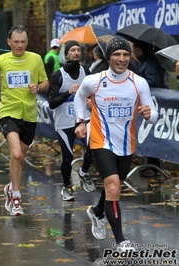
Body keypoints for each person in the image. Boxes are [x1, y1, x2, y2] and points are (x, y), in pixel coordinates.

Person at [74, 37, 158, 250]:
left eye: (126, 55)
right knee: (112, 186)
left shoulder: (138, 82)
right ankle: (121, 241)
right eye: (117, 54)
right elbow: (79, 96)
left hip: (126, 143)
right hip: (100, 140)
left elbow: (153, 114)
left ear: (130, 57)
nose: (122, 59)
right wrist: (81, 121)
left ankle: (97, 211)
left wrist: (150, 114)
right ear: (109, 57)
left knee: (114, 188)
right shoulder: (94, 80)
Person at [0, 25, 49, 216]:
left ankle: (11, 187)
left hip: (29, 114)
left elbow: (45, 82)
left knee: (20, 157)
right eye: (16, 42)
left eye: (23, 42)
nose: (19, 45)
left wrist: (38, 88)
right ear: (9, 42)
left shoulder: (35, 59)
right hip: (8, 113)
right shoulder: (1, 60)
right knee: (16, 154)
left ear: (27, 42)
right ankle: (16, 197)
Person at [48, 40, 95, 202]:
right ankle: (67, 187)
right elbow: (52, 103)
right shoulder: (58, 75)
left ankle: (84, 171)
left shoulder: (86, 72)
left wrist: (91, 100)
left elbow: (95, 92)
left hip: (84, 118)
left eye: (78, 50)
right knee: (67, 158)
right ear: (66, 54)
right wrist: (68, 92)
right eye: (72, 50)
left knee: (94, 145)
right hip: (64, 122)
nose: (76, 52)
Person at [132, 40, 168, 177]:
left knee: (152, 134)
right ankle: (151, 165)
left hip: (155, 104)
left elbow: (153, 81)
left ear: (138, 50)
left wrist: (138, 84)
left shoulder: (149, 63)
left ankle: (154, 166)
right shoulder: (145, 62)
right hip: (151, 103)